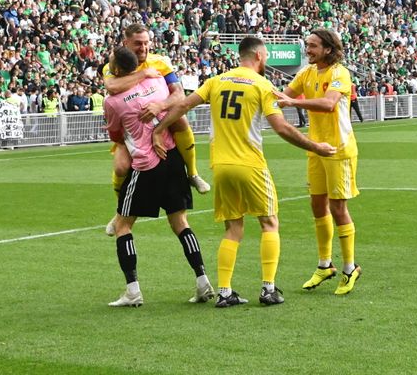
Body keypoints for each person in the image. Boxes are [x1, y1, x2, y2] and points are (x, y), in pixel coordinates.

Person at [153, 36, 336, 308]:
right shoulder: (262, 85)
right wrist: (315, 146)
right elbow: (282, 128)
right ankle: (268, 289)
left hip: (221, 166)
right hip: (250, 164)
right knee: (269, 223)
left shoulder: (217, 80)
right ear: (260, 56)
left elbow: (182, 105)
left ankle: (225, 292)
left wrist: (158, 129)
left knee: (233, 227)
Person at [104, 46, 214, 307]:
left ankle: (132, 291)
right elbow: (176, 101)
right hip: (173, 158)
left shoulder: (112, 101)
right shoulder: (155, 80)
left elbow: (115, 135)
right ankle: (203, 281)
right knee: (180, 223)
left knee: (123, 226)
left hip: (146, 165)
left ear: (118, 69)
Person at [274, 29, 362, 295]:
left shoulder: (339, 73)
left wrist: (292, 102)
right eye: (307, 46)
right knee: (317, 205)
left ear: (327, 48)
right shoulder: (306, 73)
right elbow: (282, 95)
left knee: (338, 208)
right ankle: (325, 264)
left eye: (312, 46)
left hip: (338, 149)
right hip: (315, 148)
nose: (308, 50)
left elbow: (328, 104)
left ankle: (350, 268)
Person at [103, 23, 210, 236]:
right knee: (121, 168)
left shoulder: (160, 61)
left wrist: (160, 106)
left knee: (181, 122)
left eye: (146, 43)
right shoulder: (114, 65)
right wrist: (144, 75)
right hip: (132, 131)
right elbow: (112, 87)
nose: (143, 48)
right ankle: (120, 212)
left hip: (161, 119)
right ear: (126, 43)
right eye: (137, 44)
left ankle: (194, 173)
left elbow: (179, 94)